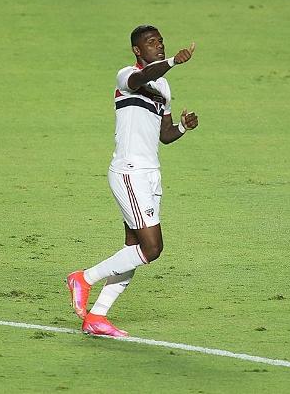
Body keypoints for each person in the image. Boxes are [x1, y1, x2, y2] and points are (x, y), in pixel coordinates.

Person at [66, 25, 198, 337]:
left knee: (133, 248)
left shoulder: (163, 88)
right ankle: (83, 278)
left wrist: (183, 127)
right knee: (152, 249)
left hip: (150, 174)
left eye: (161, 42)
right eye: (152, 43)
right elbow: (141, 79)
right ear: (138, 51)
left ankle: (97, 316)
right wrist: (175, 62)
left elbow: (164, 135)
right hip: (129, 171)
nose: (160, 46)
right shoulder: (126, 76)